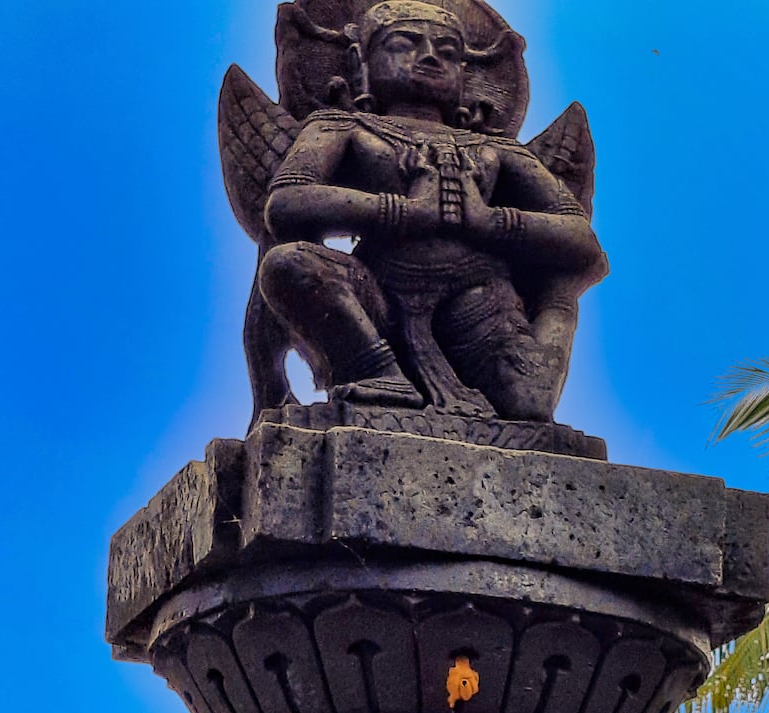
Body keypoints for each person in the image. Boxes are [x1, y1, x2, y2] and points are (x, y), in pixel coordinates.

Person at [257, 0, 603, 421]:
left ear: (466, 72)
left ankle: (555, 302)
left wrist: (490, 222)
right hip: (377, 295)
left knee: (528, 405)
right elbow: (286, 203)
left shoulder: (496, 149)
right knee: (286, 263)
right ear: (360, 59)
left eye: (447, 51)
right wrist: (403, 212)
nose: (428, 57)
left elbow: (582, 240)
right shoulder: (341, 127)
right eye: (405, 44)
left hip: (480, 298)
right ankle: (377, 371)